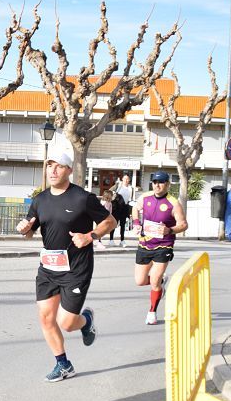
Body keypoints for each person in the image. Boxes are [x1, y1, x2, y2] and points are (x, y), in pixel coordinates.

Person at [16, 150, 117, 382]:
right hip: (48, 268)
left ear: (69, 170)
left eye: (59, 166)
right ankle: (63, 365)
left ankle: (86, 321)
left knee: (67, 323)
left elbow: (110, 221)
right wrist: (25, 230)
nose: (52, 170)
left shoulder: (83, 198)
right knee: (45, 318)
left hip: (76, 268)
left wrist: (90, 236)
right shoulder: (40, 200)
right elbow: (31, 231)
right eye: (49, 165)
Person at [131, 170, 188, 325]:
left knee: (154, 280)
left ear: (167, 184)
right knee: (140, 281)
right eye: (155, 182)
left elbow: (183, 224)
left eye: (161, 182)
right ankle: (160, 283)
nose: (157, 185)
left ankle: (152, 311)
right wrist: (136, 223)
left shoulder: (173, 203)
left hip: (164, 245)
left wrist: (169, 230)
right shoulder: (145, 197)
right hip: (144, 243)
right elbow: (135, 209)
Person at [114, 174, 135, 246]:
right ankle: (111, 239)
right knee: (114, 223)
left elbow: (131, 199)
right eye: (125, 179)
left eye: (127, 179)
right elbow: (110, 192)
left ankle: (122, 240)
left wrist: (130, 210)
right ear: (122, 179)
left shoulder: (131, 188)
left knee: (123, 225)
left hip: (125, 207)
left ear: (129, 180)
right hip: (117, 207)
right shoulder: (118, 186)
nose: (126, 180)